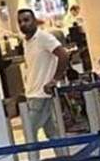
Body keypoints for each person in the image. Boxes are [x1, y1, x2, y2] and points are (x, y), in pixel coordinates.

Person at [16, 9, 70, 148]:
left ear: (35, 21)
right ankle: (63, 158)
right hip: (31, 93)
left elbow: (63, 55)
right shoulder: (26, 42)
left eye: (26, 20)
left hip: (41, 94)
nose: (23, 24)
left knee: (30, 132)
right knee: (52, 133)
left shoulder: (44, 38)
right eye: (20, 21)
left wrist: (55, 79)